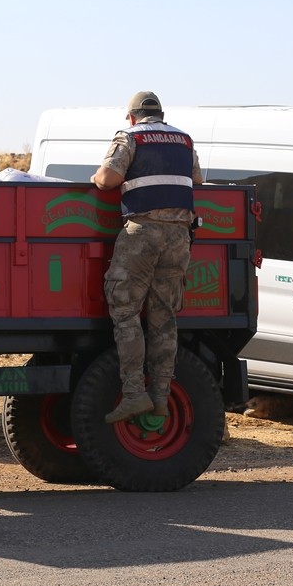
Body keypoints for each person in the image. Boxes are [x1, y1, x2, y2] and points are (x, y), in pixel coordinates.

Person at [91, 91, 202, 423]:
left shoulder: (129, 136)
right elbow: (197, 180)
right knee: (164, 316)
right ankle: (161, 396)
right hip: (179, 235)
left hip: (143, 231)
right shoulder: (183, 139)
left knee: (125, 310)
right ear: (162, 114)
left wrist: (97, 179)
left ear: (131, 117)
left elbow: (107, 179)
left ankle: (134, 394)